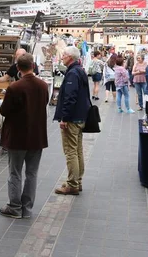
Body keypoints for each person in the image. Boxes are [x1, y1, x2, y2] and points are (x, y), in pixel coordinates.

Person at [0, 53, 49, 219]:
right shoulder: (43, 86)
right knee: (32, 174)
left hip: (17, 136)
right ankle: (27, 208)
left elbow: (4, 111)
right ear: (33, 66)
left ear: (18, 68)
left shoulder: (15, 88)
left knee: (15, 173)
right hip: (37, 136)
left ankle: (14, 207)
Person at [53, 46, 91, 196]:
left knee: (70, 151)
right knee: (77, 149)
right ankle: (77, 180)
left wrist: (65, 118)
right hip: (81, 116)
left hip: (73, 118)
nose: (62, 56)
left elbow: (70, 98)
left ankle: (72, 184)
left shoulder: (72, 73)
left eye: (64, 54)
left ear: (70, 57)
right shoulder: (80, 70)